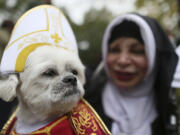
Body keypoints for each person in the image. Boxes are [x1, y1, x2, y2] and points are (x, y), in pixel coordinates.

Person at [85, 13, 179, 135]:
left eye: (136, 51)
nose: (123, 61)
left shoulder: (167, 112)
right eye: (114, 50)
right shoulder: (84, 105)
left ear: (154, 58)